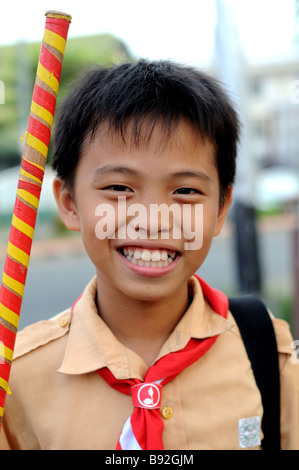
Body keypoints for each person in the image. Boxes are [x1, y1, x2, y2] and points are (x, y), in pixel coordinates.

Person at [0, 59, 298, 450]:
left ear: (221, 208)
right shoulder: (15, 379)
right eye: (120, 188)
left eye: (186, 191)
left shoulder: (265, 352)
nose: (153, 220)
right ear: (70, 203)